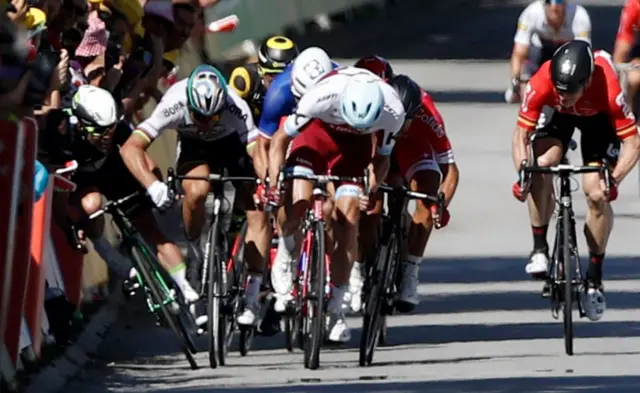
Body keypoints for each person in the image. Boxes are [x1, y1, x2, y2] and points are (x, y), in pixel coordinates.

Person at [120, 64, 269, 326]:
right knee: (196, 190)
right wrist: (152, 184)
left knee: (257, 207)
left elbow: (256, 151)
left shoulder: (235, 106)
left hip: (232, 145)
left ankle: (253, 293)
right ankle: (195, 249)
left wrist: (266, 182)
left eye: (213, 117)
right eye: (200, 117)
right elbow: (131, 147)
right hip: (194, 149)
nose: (206, 123)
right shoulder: (174, 102)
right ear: (189, 104)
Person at [266, 66, 405, 342]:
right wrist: (274, 180)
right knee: (300, 199)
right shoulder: (320, 96)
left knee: (349, 215)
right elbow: (281, 139)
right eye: (352, 121)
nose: (354, 126)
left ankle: (336, 308)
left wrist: (370, 187)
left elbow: (382, 159)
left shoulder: (393, 111)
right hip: (317, 135)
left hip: (355, 149)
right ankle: (285, 251)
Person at [511, 40, 640, 321]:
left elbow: (632, 142)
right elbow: (521, 135)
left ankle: (594, 278)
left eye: (569, 91)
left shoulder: (608, 85)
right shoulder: (543, 80)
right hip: (559, 120)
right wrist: (523, 170)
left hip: (599, 121)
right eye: (559, 90)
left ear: (588, 80)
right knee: (541, 167)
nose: (563, 95)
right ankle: (540, 247)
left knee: (597, 193)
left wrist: (614, 179)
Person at [38, 85, 201, 305]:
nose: (106, 136)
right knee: (92, 205)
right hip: (80, 181)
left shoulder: (117, 129)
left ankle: (185, 288)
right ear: (81, 124)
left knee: (150, 228)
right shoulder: (60, 134)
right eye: (99, 131)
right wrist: (68, 229)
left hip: (115, 171)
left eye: (110, 129)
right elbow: (59, 192)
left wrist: (157, 187)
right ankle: (107, 252)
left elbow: (144, 160)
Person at [351, 74, 460, 313]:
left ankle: (411, 272)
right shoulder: (377, 105)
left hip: (414, 150)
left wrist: (441, 204)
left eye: (406, 120)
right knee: (372, 207)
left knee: (428, 191)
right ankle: (358, 270)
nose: (401, 123)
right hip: (379, 151)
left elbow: (450, 170)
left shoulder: (428, 115)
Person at [253, 47, 338, 313]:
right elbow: (264, 145)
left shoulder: (340, 82)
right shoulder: (279, 92)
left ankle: (337, 270)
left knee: (339, 205)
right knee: (294, 194)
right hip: (292, 130)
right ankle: (288, 247)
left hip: (331, 124)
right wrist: (270, 181)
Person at [505, 0, 591, 103]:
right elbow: (519, 54)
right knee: (520, 93)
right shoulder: (531, 13)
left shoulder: (580, 16)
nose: (554, 7)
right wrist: (516, 81)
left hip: (567, 54)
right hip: (540, 51)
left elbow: (583, 55)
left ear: (565, 3)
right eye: (549, 1)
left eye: (558, 1)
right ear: (543, 4)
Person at [228, 35, 299, 125]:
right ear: (260, 70)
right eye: (272, 75)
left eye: (283, 76)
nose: (278, 81)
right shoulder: (244, 79)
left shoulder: (305, 82)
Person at [614, 0, 640, 113]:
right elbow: (621, 52)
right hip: (636, 59)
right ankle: (627, 120)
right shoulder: (634, 6)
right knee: (630, 78)